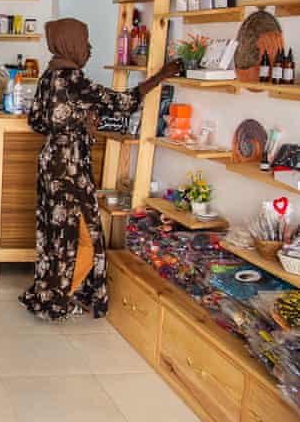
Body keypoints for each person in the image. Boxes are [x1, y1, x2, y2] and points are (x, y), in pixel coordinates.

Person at [19, 18, 181, 321]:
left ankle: (50, 291)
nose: (90, 48)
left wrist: (77, 120)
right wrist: (161, 75)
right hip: (71, 168)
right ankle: (58, 298)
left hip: (50, 161)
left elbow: (37, 121)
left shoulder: (48, 76)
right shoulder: (74, 79)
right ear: (71, 43)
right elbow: (123, 102)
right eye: (85, 41)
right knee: (85, 237)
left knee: (57, 235)